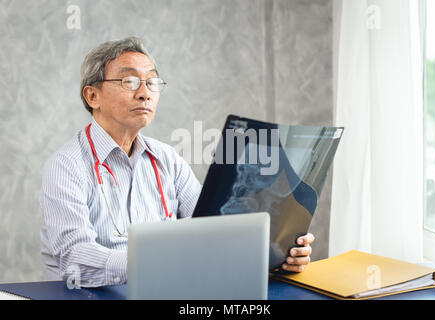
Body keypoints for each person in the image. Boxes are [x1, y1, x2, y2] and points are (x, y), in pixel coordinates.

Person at [39, 37, 315, 288]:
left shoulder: (167, 159)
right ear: (92, 96)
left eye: (152, 83)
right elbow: (74, 259)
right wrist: (154, 263)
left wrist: (278, 254)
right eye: (130, 82)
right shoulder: (66, 166)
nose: (145, 93)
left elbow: (212, 228)